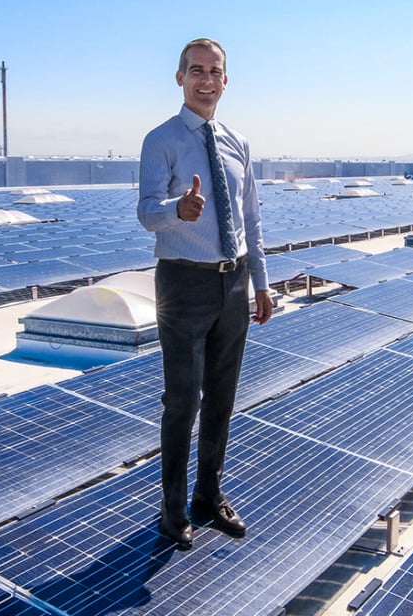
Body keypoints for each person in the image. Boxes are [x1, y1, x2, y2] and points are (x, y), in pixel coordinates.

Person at [137, 37, 274, 549]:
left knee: (222, 397)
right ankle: (172, 512)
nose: (206, 80)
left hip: (233, 281)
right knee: (181, 402)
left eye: (215, 71)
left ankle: (208, 496)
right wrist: (179, 210)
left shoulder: (238, 141)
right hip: (183, 281)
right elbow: (147, 212)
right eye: (196, 70)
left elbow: (251, 219)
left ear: (225, 80)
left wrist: (260, 282)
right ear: (180, 78)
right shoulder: (162, 140)